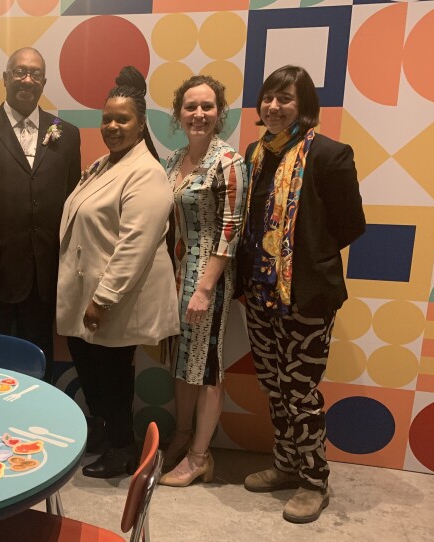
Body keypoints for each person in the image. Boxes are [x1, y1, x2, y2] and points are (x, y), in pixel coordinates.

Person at [238, 65, 365, 523]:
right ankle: (287, 465)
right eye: (268, 97)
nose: (274, 106)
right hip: (258, 294)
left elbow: (351, 225)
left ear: (304, 106)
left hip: (305, 297)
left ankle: (315, 481)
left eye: (285, 99)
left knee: (300, 391)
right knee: (274, 386)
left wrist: (299, 258)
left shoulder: (330, 155)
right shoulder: (255, 153)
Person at [56, 66, 179, 478]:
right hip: (87, 295)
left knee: (111, 377)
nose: (111, 125)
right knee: (93, 372)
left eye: (122, 119)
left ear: (141, 123)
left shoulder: (145, 172)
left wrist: (102, 300)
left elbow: (135, 245)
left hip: (112, 299)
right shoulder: (105, 165)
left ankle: (123, 448)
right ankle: (109, 436)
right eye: (106, 118)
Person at [0, 47, 81, 383]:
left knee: (40, 362)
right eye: (20, 72)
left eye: (35, 74)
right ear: (6, 78)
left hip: (45, 275)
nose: (27, 79)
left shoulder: (66, 134)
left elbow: (72, 209)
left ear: (44, 82)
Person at [158, 75, 248, 487]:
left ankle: (199, 458)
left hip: (207, 279)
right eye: (191, 106)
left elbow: (232, 228)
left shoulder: (228, 161)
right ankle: (182, 436)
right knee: (181, 362)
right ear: (179, 113)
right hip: (176, 276)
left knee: (206, 367)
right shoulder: (175, 160)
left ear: (219, 112)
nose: (199, 114)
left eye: (207, 107)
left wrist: (206, 288)